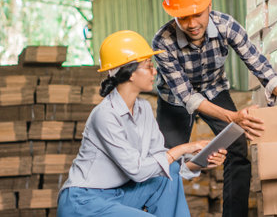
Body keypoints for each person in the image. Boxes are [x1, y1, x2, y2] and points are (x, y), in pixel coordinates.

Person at [152, 0, 277, 216]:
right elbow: (188, 97)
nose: (192, 24)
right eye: (183, 18)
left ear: (209, 4)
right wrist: (233, 117)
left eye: (197, 15)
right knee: (166, 162)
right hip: (175, 100)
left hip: (215, 89)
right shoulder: (162, 41)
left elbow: (258, 63)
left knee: (238, 147)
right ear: (172, 14)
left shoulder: (226, 25)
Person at [57, 30, 227, 217]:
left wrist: (201, 161)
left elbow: (161, 160)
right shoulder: (105, 115)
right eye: (148, 66)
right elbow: (137, 170)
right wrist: (186, 147)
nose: (155, 71)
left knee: (168, 172)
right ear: (130, 73)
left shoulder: (143, 109)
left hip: (119, 195)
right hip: (84, 201)